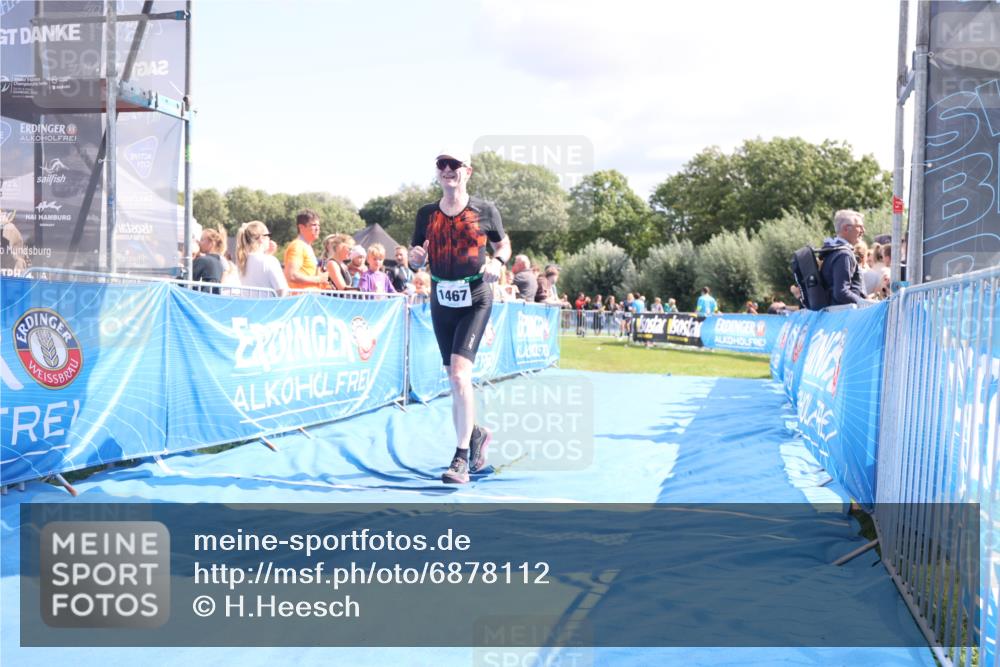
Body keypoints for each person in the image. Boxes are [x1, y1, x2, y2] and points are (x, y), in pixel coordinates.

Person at [409, 147, 512, 484]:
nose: (448, 170)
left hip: (475, 296)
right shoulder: (426, 214)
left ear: (468, 171)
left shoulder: (484, 210)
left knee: (458, 376)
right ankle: (476, 433)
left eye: (454, 165)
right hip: (441, 296)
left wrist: (497, 263)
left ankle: (461, 459)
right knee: (455, 380)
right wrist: (414, 257)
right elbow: (415, 260)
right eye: (442, 164)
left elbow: (503, 245)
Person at [820, 209, 867, 305]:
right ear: (846, 228)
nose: (863, 230)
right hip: (843, 314)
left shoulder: (832, 250)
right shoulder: (844, 254)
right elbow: (841, 292)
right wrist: (864, 303)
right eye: (859, 227)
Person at [236, 221, 288, 296]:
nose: (269, 239)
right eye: (268, 235)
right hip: (268, 306)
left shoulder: (242, 261)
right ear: (261, 238)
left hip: (249, 307)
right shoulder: (270, 261)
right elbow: (282, 290)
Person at [283, 209, 327, 290]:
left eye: (318, 225)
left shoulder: (307, 246)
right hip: (301, 299)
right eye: (313, 225)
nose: (317, 228)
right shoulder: (297, 246)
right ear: (301, 227)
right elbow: (291, 275)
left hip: (309, 298)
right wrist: (318, 279)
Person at [192, 228, 225, 293]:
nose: (199, 242)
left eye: (202, 240)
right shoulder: (219, 263)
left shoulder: (203, 261)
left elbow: (186, 277)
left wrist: (194, 252)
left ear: (211, 243)